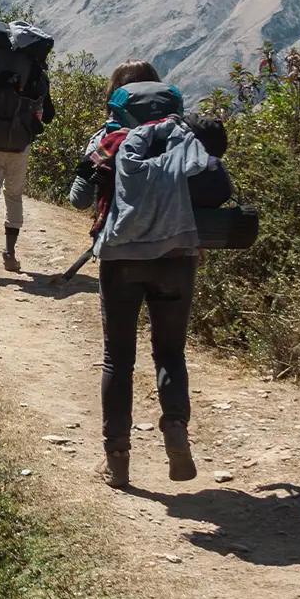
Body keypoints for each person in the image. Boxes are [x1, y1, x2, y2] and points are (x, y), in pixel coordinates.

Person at [69, 65, 206, 491]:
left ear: (118, 97)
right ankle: (176, 429)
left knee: (118, 359)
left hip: (121, 259)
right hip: (178, 258)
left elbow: (78, 199)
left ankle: (118, 462)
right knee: (169, 353)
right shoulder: (184, 138)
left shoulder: (108, 139)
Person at [0, 22, 56, 277]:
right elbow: (48, 115)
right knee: (14, 196)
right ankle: (10, 254)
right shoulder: (36, 71)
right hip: (19, 145)